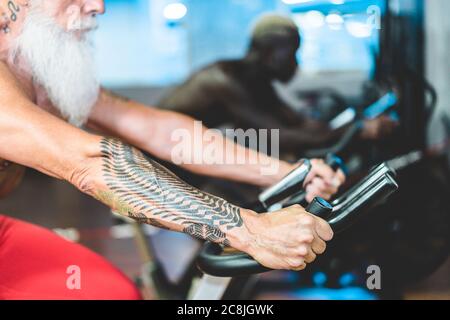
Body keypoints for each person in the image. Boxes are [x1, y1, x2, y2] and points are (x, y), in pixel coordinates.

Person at [0, 0, 345, 299]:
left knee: (116, 292)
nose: (98, 6)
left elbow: (161, 132)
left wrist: (290, 173)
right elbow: (88, 163)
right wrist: (250, 229)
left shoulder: (41, 76)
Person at [159, 14, 398, 156]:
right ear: (271, 52)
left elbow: (296, 122)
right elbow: (278, 136)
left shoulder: (256, 80)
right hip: (162, 159)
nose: (297, 62)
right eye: (293, 53)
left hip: (183, 155)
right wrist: (354, 130)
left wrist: (354, 124)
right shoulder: (224, 80)